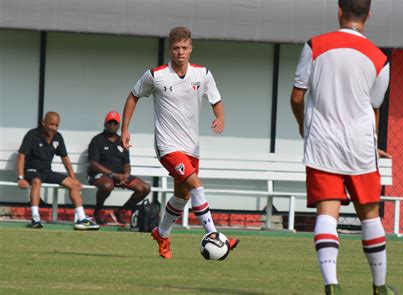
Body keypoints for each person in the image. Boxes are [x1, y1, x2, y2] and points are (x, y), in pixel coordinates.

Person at [290, 1, 395, 294]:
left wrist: (303, 125)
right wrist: (372, 145)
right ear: (369, 15)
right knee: (370, 215)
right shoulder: (380, 59)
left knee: (327, 213)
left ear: (339, 11)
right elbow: (373, 108)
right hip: (361, 147)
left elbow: (297, 97)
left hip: (322, 143)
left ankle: (331, 284)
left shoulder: (315, 45)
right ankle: (380, 286)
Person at [121, 26, 239, 259]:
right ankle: (215, 236)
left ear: (191, 48)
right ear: (170, 49)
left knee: (183, 196)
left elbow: (216, 99)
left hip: (191, 147)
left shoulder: (202, 74)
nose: (180, 52)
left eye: (184, 48)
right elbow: (133, 95)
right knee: (196, 185)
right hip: (167, 146)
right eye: (176, 48)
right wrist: (125, 128)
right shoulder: (155, 75)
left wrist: (220, 116)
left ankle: (161, 234)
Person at [17, 111, 100, 230]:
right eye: (51, 124)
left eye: (56, 125)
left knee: (73, 185)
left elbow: (65, 159)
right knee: (36, 181)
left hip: (47, 172)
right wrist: (20, 178)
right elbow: (21, 156)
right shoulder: (32, 134)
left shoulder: (58, 137)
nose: (53, 128)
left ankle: (81, 219)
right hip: (31, 171)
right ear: (43, 122)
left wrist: (73, 178)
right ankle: (35, 218)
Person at [88, 111, 151, 226]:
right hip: (101, 175)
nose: (112, 126)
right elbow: (93, 164)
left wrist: (126, 175)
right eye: (109, 123)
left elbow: (126, 163)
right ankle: (98, 211)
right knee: (107, 186)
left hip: (119, 175)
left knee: (145, 188)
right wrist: (113, 174)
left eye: (115, 123)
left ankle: (122, 211)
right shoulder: (97, 140)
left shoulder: (122, 141)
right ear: (105, 124)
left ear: (119, 125)